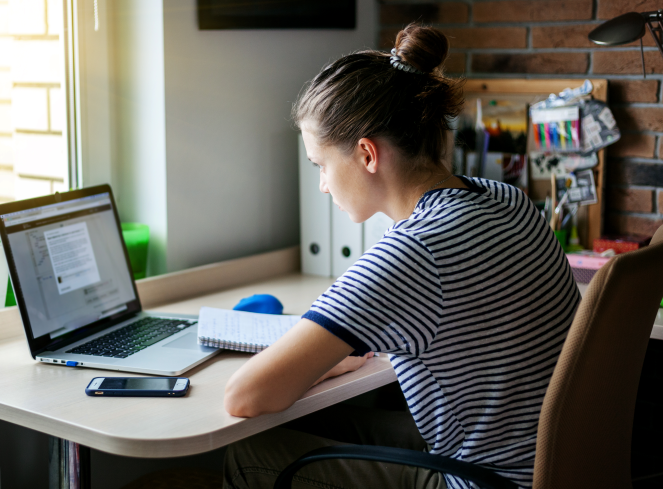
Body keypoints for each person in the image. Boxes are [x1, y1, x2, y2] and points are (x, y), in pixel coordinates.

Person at [222, 24, 580, 489]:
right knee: (305, 426)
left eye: (322, 165)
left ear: (367, 154)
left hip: (484, 482)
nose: (323, 185)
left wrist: (316, 358)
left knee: (249, 450)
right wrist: (334, 354)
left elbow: (245, 396)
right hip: (548, 462)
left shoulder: (414, 251)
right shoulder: (508, 200)